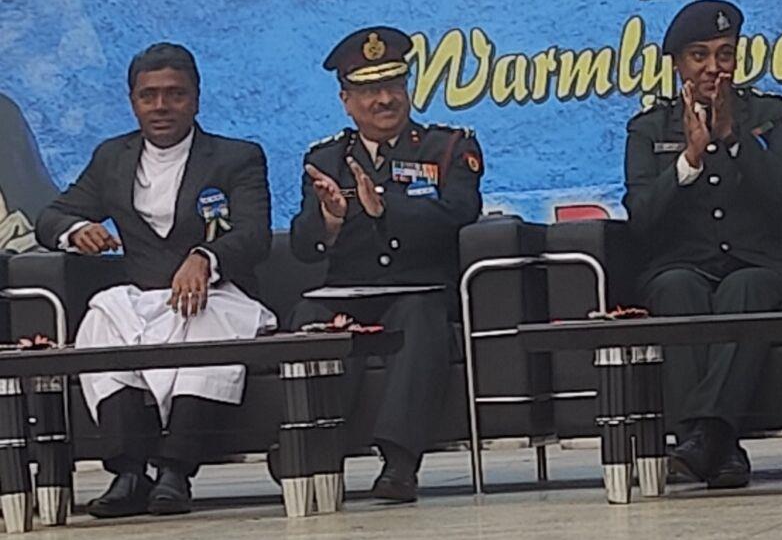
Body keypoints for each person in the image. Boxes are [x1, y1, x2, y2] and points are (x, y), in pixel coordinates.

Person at [35, 43, 275, 517]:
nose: (161, 106)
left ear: (196, 98)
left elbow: (254, 235)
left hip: (217, 294)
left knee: (204, 316)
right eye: (149, 96)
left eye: (174, 94)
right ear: (133, 102)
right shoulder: (112, 157)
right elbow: (51, 216)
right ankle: (129, 473)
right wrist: (77, 229)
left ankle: (175, 473)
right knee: (101, 319)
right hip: (144, 297)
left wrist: (205, 257)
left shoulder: (236, 157)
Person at [623, 0, 782, 489]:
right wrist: (687, 162)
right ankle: (721, 448)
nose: (714, 67)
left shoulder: (772, 115)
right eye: (700, 56)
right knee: (676, 288)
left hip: (764, 263)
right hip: (683, 263)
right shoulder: (649, 128)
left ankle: (703, 438)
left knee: (744, 288)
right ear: (677, 64)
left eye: (725, 54)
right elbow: (640, 217)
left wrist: (734, 139)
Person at [286, 26, 483, 502]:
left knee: (418, 318)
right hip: (348, 292)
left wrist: (385, 209)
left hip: (420, 288)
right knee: (308, 318)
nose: (385, 99)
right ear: (346, 101)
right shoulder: (326, 158)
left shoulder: (448, 148)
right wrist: (331, 220)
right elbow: (303, 246)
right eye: (369, 90)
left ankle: (399, 462)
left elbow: (461, 211)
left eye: (394, 85)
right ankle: (307, 449)